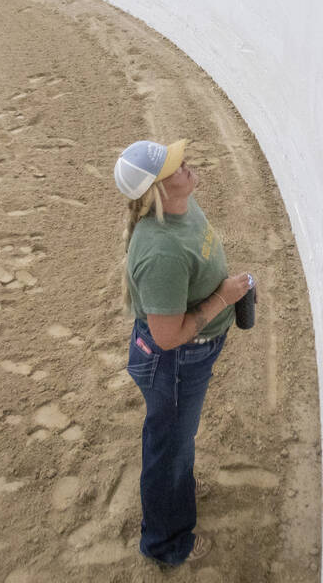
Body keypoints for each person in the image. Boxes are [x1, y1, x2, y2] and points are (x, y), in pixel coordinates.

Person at [114, 138, 255, 565]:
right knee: (170, 450)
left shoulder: (180, 206)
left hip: (191, 354)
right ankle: (166, 543)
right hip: (176, 359)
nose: (186, 165)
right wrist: (222, 299)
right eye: (175, 167)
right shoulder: (161, 252)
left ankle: (175, 499)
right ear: (157, 191)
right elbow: (166, 337)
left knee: (175, 440)